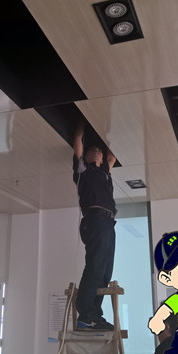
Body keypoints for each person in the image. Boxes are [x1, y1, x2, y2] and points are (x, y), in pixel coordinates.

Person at [72, 121, 117, 330]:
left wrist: (108, 139)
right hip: (95, 219)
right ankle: (85, 314)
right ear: (87, 156)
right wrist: (84, 122)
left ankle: (95, 314)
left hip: (108, 221)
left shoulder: (105, 172)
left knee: (106, 270)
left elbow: (111, 158)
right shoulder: (83, 169)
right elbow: (77, 141)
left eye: (99, 151)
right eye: (93, 150)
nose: (97, 151)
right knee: (96, 265)